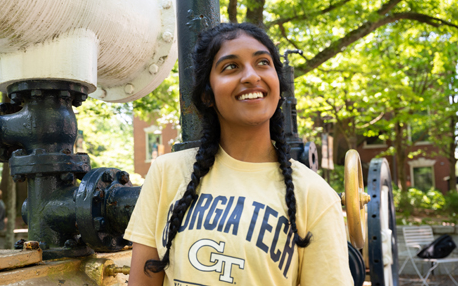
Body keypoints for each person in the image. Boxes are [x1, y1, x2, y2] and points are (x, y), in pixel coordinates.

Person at [124, 23, 353, 285]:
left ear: (278, 85)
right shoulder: (168, 172)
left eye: (263, 63)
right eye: (231, 66)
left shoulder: (315, 196)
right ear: (207, 95)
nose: (251, 76)